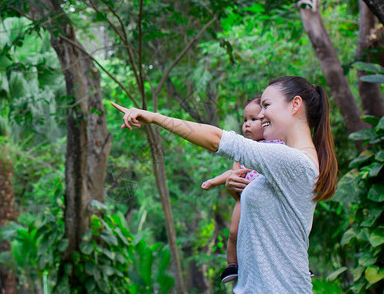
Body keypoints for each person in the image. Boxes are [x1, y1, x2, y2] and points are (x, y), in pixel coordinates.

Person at [112, 76, 338, 293]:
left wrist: (154, 117)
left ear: (295, 104)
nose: (260, 114)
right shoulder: (290, 160)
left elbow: (217, 139)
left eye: (266, 105)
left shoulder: (293, 161)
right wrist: (236, 191)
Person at [201, 96, 285, 283]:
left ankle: (297, 263)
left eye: (253, 119)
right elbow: (234, 173)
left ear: (267, 122)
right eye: (245, 120)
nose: (247, 125)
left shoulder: (278, 145)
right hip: (244, 198)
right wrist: (214, 181)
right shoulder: (243, 149)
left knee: (280, 233)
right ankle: (232, 264)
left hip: (271, 200)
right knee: (234, 232)